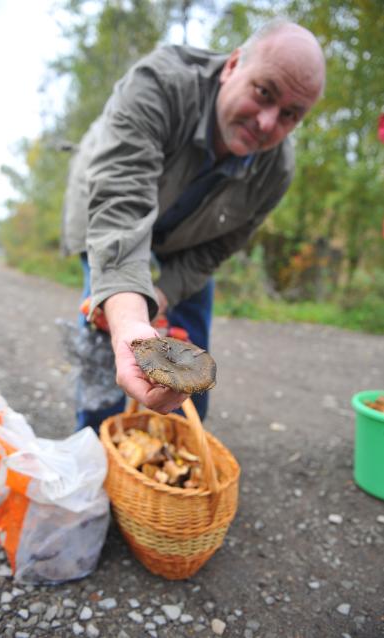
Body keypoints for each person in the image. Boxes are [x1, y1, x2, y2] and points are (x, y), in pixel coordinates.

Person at [62, 18, 326, 432]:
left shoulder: (277, 170)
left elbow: (215, 250)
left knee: (189, 352)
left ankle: (179, 446)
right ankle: (97, 444)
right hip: (110, 213)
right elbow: (119, 207)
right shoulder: (161, 84)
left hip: (187, 239)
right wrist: (130, 319)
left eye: (290, 115)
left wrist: (164, 295)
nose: (267, 123)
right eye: (264, 93)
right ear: (233, 65)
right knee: (108, 333)